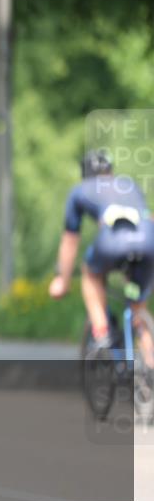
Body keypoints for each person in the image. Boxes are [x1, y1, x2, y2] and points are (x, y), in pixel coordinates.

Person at [49, 151, 154, 367]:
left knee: (90, 274)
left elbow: (70, 241)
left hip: (112, 241)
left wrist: (63, 280)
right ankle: (150, 364)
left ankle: (101, 331)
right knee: (138, 308)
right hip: (148, 240)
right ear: (110, 171)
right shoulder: (129, 184)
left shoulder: (79, 191)